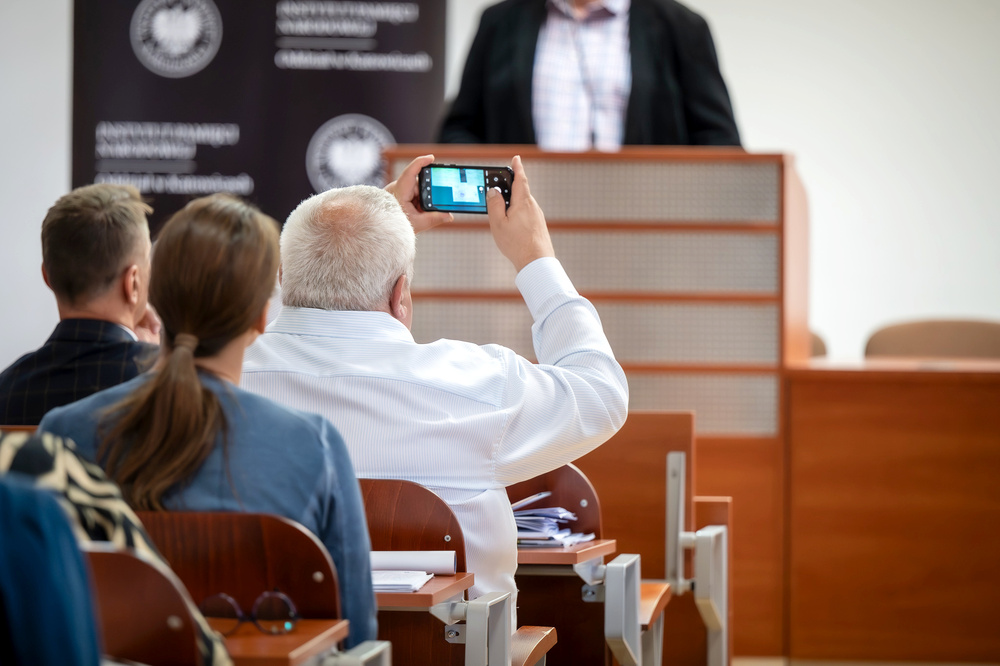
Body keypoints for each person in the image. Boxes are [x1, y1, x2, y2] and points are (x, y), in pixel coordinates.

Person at [240, 154, 629, 621]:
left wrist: (354, 235)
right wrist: (535, 258)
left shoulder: (218, 385)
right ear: (400, 294)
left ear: (283, 279)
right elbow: (601, 393)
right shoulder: (476, 388)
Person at [37, 194, 377, 648]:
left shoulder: (62, 433)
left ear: (152, 300)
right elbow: (356, 630)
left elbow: (42, 611)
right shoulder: (312, 443)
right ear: (261, 317)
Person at [438, 0, 741, 149]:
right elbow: (460, 131)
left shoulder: (682, 26)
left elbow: (718, 141)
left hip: (649, 231)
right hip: (517, 237)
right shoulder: (500, 22)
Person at [0, 184, 160, 426]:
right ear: (133, 282)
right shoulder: (168, 381)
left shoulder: (6, 388)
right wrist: (160, 356)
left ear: (47, 277)